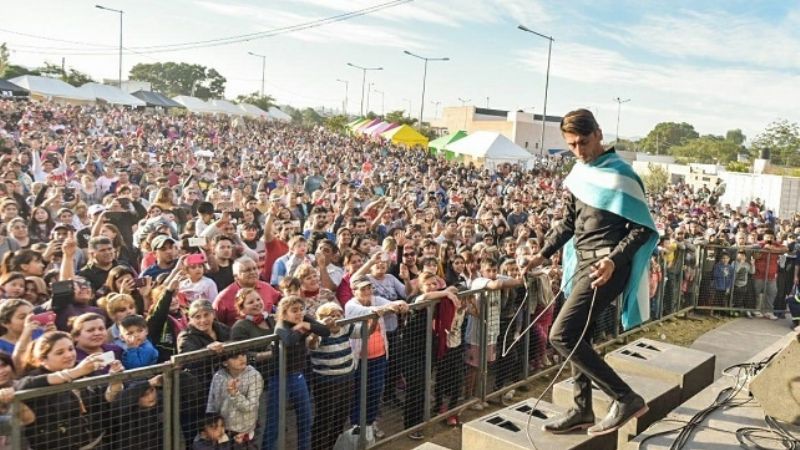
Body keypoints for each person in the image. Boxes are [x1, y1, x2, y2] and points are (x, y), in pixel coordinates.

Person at [530, 109, 658, 436]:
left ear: (599, 134)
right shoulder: (580, 173)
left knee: (561, 335)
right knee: (577, 334)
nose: (579, 150)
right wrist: (542, 254)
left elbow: (642, 229)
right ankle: (581, 408)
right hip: (583, 263)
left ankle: (624, 397)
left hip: (608, 267)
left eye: (583, 142)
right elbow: (569, 224)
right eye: (572, 145)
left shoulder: (621, 174)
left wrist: (614, 260)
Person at [17, 331, 125, 450]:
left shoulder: (84, 368)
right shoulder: (35, 378)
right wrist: (75, 372)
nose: (69, 355)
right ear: (43, 359)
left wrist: (115, 381)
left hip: (97, 443)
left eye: (70, 349)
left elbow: (103, 400)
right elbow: (21, 387)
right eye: (60, 352)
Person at [265, 296, 330, 450]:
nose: (299, 313)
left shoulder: (304, 319)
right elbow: (289, 340)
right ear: (284, 313)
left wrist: (305, 324)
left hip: (297, 375)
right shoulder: (281, 325)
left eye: (301, 309)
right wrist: (304, 328)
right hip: (279, 378)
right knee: (275, 422)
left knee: (305, 418)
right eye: (294, 311)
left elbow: (325, 331)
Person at [214, 257, 281, 327]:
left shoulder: (266, 287)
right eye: (247, 270)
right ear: (236, 276)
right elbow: (216, 323)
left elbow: (283, 303)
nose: (253, 272)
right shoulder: (223, 297)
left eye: (255, 268)